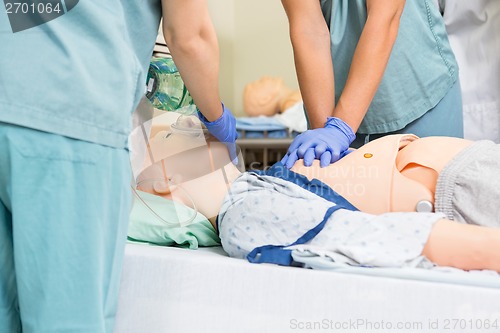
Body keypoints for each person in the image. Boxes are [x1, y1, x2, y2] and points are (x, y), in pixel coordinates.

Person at [0, 1, 236, 332]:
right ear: (162, 186)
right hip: (72, 111)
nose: (184, 127)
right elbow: (189, 36)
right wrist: (216, 116)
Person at [135, 119, 500, 273]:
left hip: (473, 176)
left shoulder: (252, 190)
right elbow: (387, 237)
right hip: (471, 189)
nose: (192, 123)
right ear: (165, 181)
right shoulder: (242, 212)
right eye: (173, 134)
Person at [279, 0, 464, 168]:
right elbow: (308, 30)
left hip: (418, 99)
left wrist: (340, 128)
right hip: (333, 109)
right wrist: (325, 138)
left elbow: (385, 17)